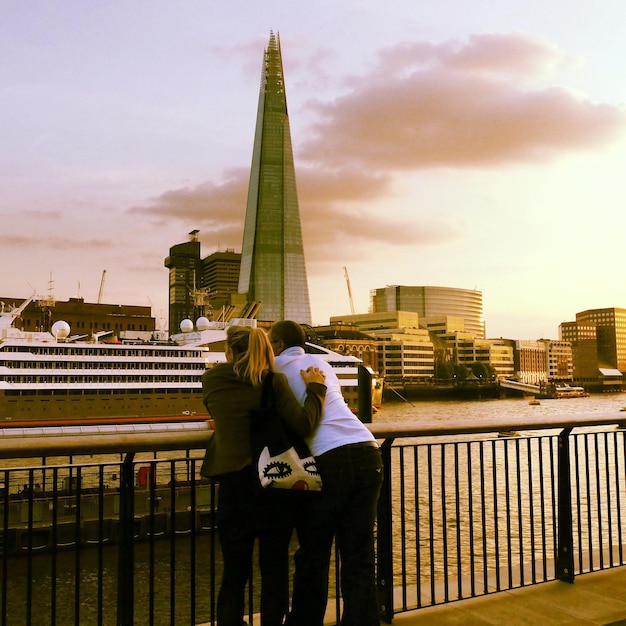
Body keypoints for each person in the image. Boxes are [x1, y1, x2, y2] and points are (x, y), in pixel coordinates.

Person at [200, 325, 327, 626]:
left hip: (232, 486)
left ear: (229, 351)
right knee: (274, 569)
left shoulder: (211, 379)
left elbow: (218, 411)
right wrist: (316, 388)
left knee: (234, 570)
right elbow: (305, 423)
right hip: (272, 485)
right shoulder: (274, 382)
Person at [268, 320, 384, 626]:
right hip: (367, 450)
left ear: (277, 344)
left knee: (313, 555)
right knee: (358, 555)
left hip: (329, 459)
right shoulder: (320, 363)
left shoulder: (274, 368)